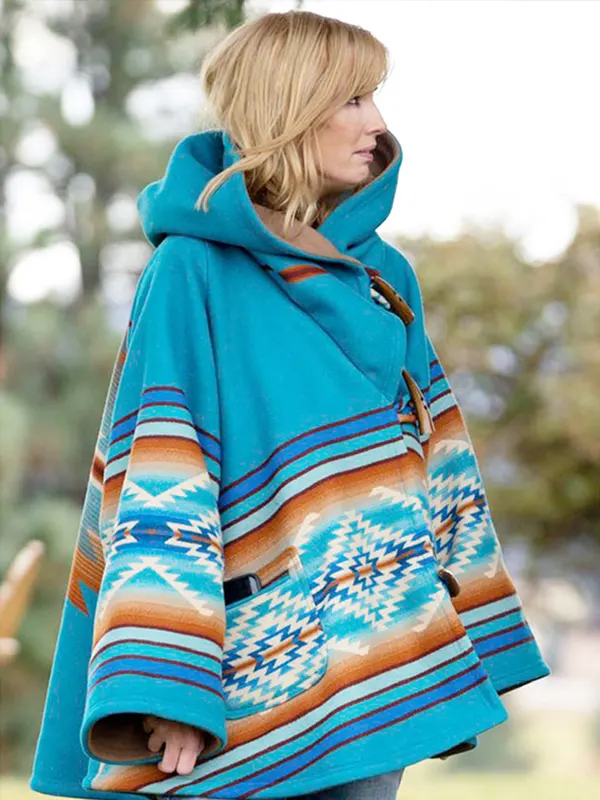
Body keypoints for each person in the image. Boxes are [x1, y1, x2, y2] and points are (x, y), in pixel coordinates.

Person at [30, 10, 550, 800]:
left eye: (375, 98)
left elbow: (439, 452)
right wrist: (172, 687)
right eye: (353, 100)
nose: (377, 125)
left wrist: (458, 615)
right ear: (289, 108)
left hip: (384, 658)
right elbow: (162, 480)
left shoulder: (385, 278)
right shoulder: (191, 272)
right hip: (247, 668)